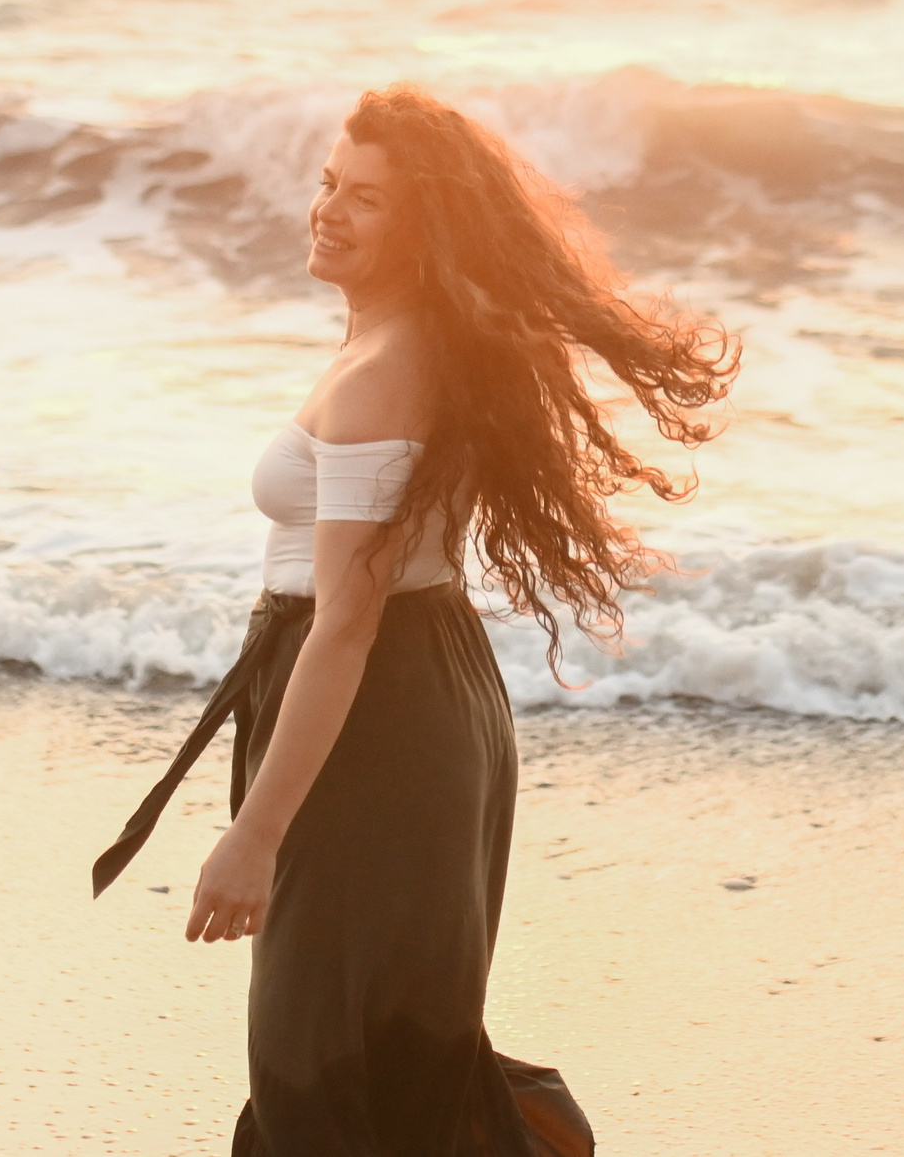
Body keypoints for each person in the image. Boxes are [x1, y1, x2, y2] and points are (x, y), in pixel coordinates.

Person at [94, 85, 739, 1155]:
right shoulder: (406, 344)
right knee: (384, 1050)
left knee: (321, 1059)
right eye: (328, 184)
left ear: (424, 224)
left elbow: (345, 619)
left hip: (376, 710)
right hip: (404, 687)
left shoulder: (385, 373)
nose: (330, 210)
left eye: (370, 199)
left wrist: (253, 833)